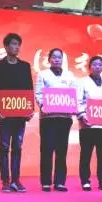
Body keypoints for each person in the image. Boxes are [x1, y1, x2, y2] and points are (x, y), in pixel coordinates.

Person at [0, 33, 34, 193]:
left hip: (20, 114)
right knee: (4, 146)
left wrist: (29, 109)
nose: (16, 47)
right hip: (4, 114)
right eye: (13, 44)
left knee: (17, 147)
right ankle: (5, 181)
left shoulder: (25, 66)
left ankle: (16, 180)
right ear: (6, 46)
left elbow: (29, 89)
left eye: (18, 44)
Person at [34, 48, 77, 192]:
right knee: (47, 149)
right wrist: (43, 105)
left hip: (64, 118)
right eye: (54, 57)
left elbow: (74, 93)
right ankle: (46, 182)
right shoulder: (43, 74)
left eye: (59, 57)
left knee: (62, 150)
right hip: (48, 118)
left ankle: (60, 182)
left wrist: (73, 106)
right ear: (49, 60)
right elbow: (39, 94)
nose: (57, 59)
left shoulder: (69, 75)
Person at [76, 56, 102, 191]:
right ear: (89, 67)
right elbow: (78, 101)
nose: (97, 67)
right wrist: (82, 115)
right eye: (94, 64)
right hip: (88, 125)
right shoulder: (82, 82)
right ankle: (85, 181)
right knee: (86, 154)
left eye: (100, 65)